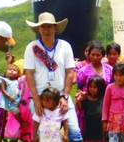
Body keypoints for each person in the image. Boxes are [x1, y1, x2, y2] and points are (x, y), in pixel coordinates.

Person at [24, 12, 82, 141]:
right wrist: (36, 99)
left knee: (74, 132)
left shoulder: (65, 46)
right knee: (42, 134)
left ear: (55, 28)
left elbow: (69, 72)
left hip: (61, 94)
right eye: (43, 26)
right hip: (40, 96)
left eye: (49, 26)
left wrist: (65, 97)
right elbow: (29, 74)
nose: (46, 30)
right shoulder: (32, 48)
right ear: (38, 29)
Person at [102, 62, 124, 142]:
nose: (118, 78)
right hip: (113, 121)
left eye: (121, 75)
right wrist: (104, 121)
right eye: (116, 75)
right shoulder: (110, 88)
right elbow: (105, 105)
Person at [76, 75, 107, 142]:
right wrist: (78, 100)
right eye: (90, 86)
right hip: (89, 131)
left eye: (95, 87)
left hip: (101, 132)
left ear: (100, 88)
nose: (92, 89)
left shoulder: (103, 99)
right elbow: (80, 108)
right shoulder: (86, 99)